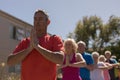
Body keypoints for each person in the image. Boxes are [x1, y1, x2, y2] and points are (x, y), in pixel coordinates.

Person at [7, 9, 64, 80]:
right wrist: (29, 49)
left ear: (48, 22)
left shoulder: (54, 39)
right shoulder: (25, 42)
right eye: (35, 19)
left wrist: (38, 47)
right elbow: (9, 61)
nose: (37, 22)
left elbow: (60, 59)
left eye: (40, 19)